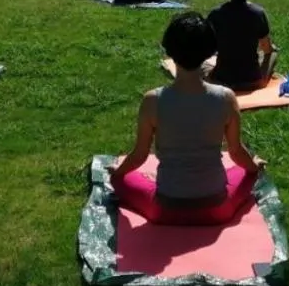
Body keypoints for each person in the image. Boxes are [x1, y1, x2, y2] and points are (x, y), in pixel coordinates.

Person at [109, 13, 265, 223]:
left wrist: (118, 173)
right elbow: (236, 152)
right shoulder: (226, 98)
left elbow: (139, 155)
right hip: (217, 210)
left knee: (119, 179)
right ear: (209, 51)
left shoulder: (153, 101)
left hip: (165, 211)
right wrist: (254, 167)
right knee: (247, 173)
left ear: (170, 50)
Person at [206, 0, 276, 91]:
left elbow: (205, 49)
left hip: (222, 79)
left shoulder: (216, 14)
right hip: (251, 80)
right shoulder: (258, 13)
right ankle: (262, 80)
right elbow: (267, 48)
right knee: (273, 51)